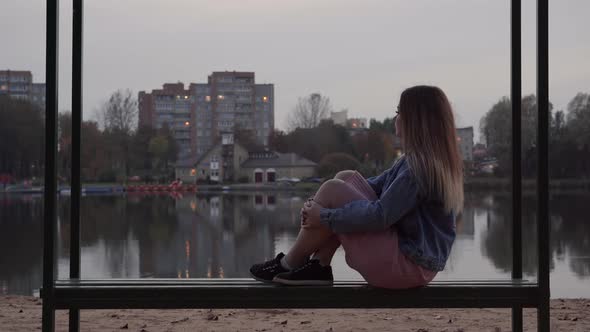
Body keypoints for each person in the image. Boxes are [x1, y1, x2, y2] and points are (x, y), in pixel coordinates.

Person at [249, 85, 464, 288]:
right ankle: (318, 265)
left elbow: (381, 216)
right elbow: (373, 187)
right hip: (415, 265)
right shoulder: (422, 162)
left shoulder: (418, 169)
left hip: (406, 267)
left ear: (415, 121)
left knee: (334, 189)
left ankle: (290, 263)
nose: (395, 117)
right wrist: (322, 205)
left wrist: (324, 215)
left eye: (399, 112)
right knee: (345, 177)